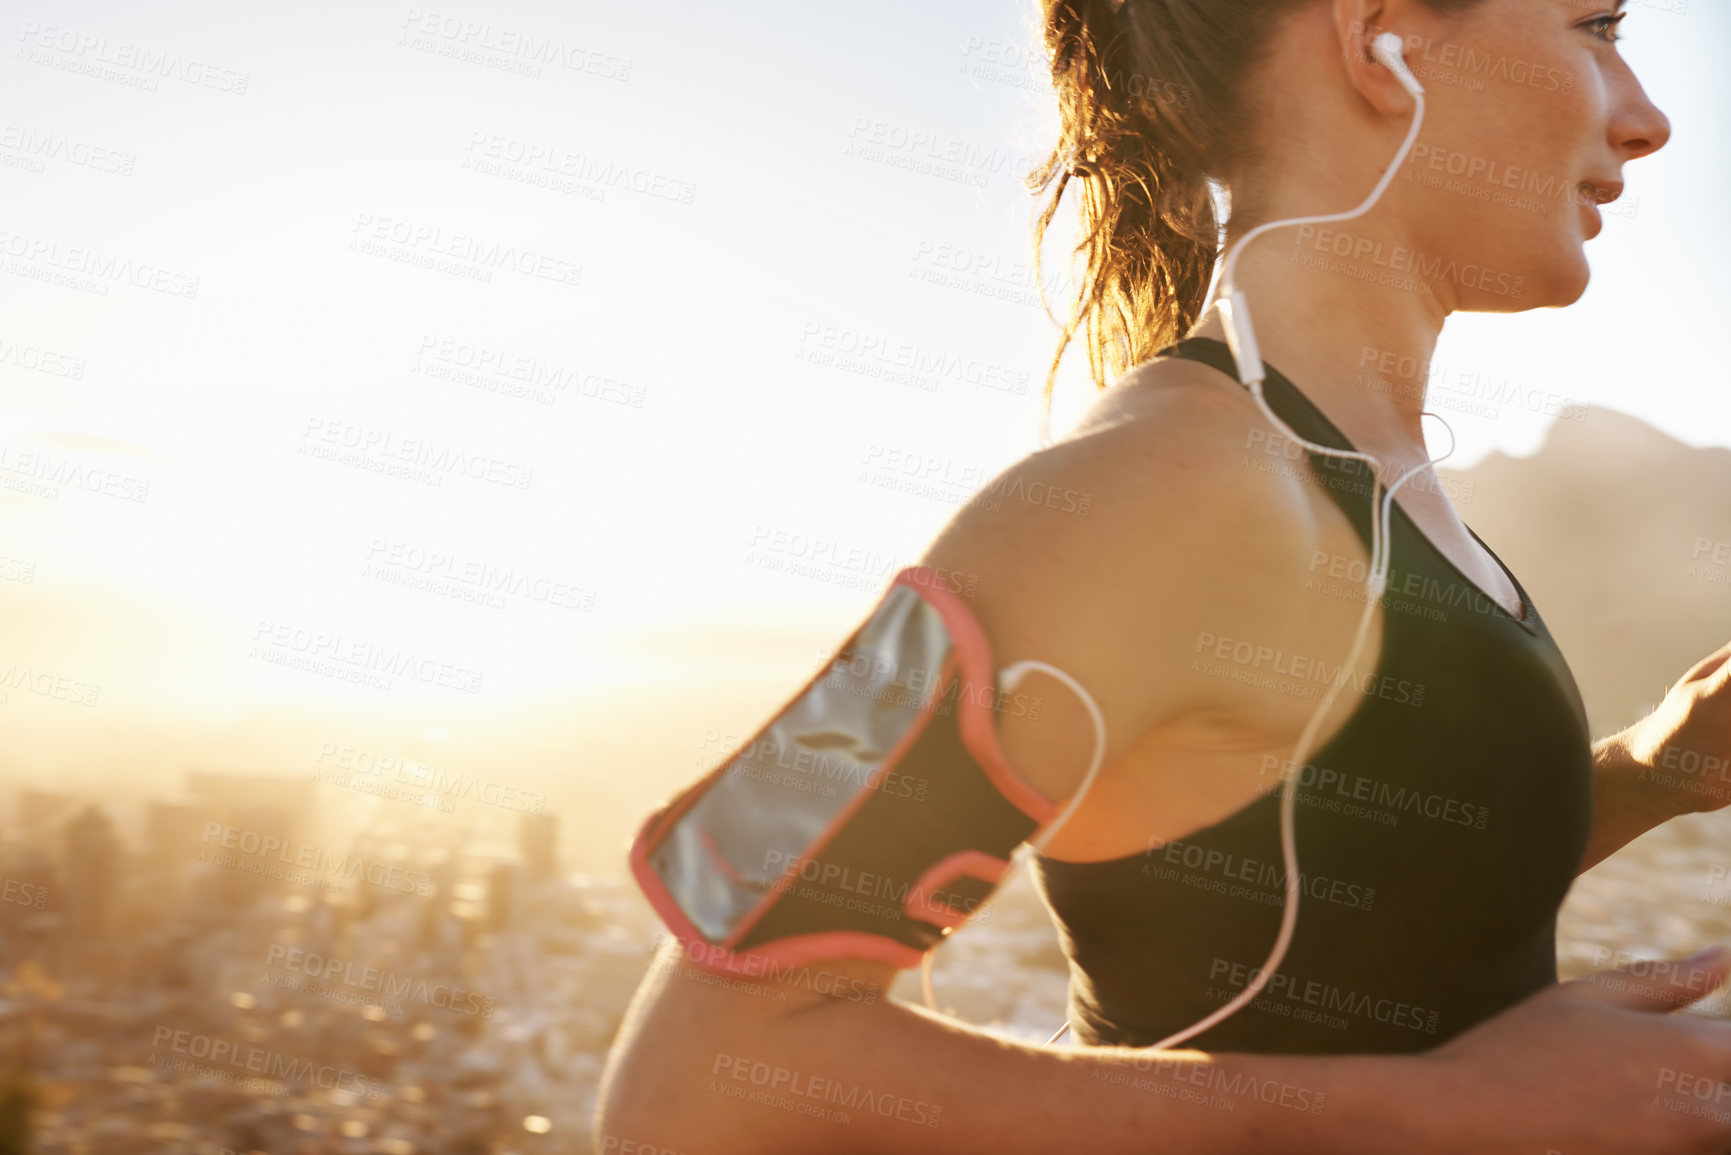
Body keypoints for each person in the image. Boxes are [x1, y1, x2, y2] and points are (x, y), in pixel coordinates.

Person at [597, 0, 1731, 1149]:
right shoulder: (1162, 484)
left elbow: (1345, 882)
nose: (1648, 121)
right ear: (1381, 38)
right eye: (1596, 26)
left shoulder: (1371, 477)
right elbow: (691, 1090)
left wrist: (1653, 772)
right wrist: (1448, 1112)